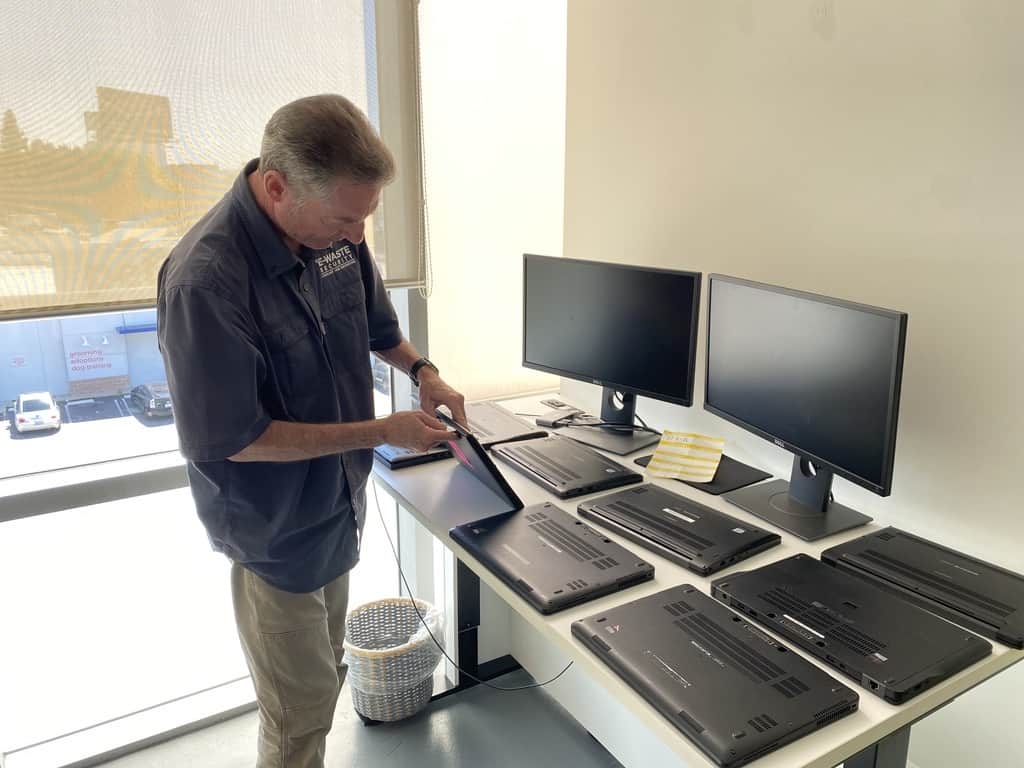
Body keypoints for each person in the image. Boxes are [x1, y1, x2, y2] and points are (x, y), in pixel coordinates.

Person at [157, 94, 466, 768]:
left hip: (335, 507)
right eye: (345, 219)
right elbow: (235, 437)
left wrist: (424, 370)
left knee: (324, 676)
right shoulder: (206, 282)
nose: (357, 237)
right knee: (298, 716)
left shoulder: (332, 234)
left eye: (365, 219)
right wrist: (380, 430)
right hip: (274, 532)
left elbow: (379, 328)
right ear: (276, 188)